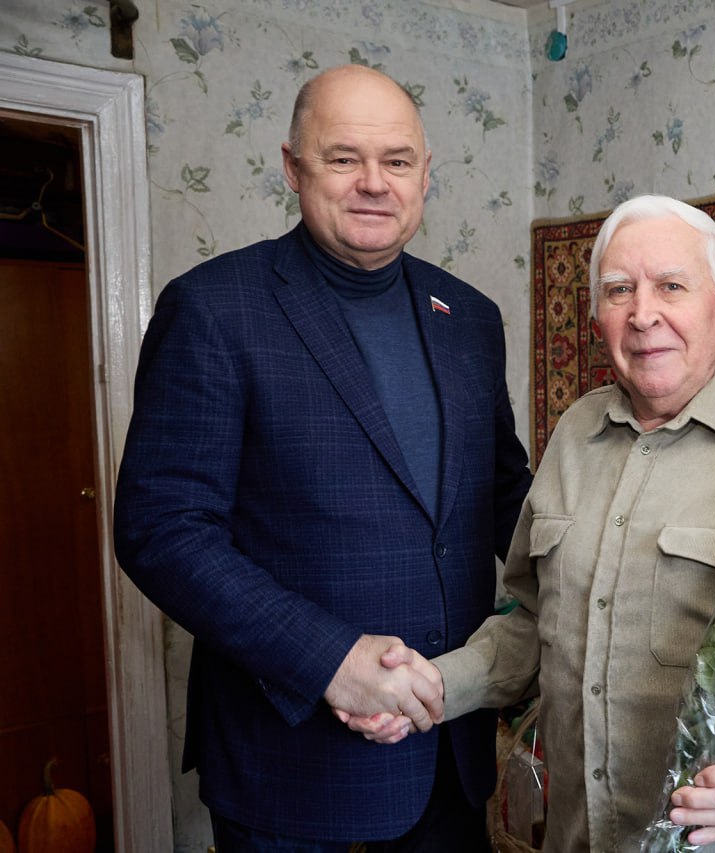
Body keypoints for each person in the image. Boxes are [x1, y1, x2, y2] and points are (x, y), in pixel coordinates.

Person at [349, 195, 715, 850]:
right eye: (619, 290)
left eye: (671, 286)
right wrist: (436, 684)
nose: (642, 314)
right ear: (597, 319)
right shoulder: (577, 431)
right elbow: (534, 622)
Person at [113, 63, 532, 851]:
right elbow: (161, 529)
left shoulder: (470, 318)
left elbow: (506, 496)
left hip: (447, 751)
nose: (374, 182)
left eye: (397, 161)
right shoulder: (214, 308)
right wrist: (330, 658)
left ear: (425, 174)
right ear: (293, 166)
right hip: (291, 767)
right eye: (344, 158)